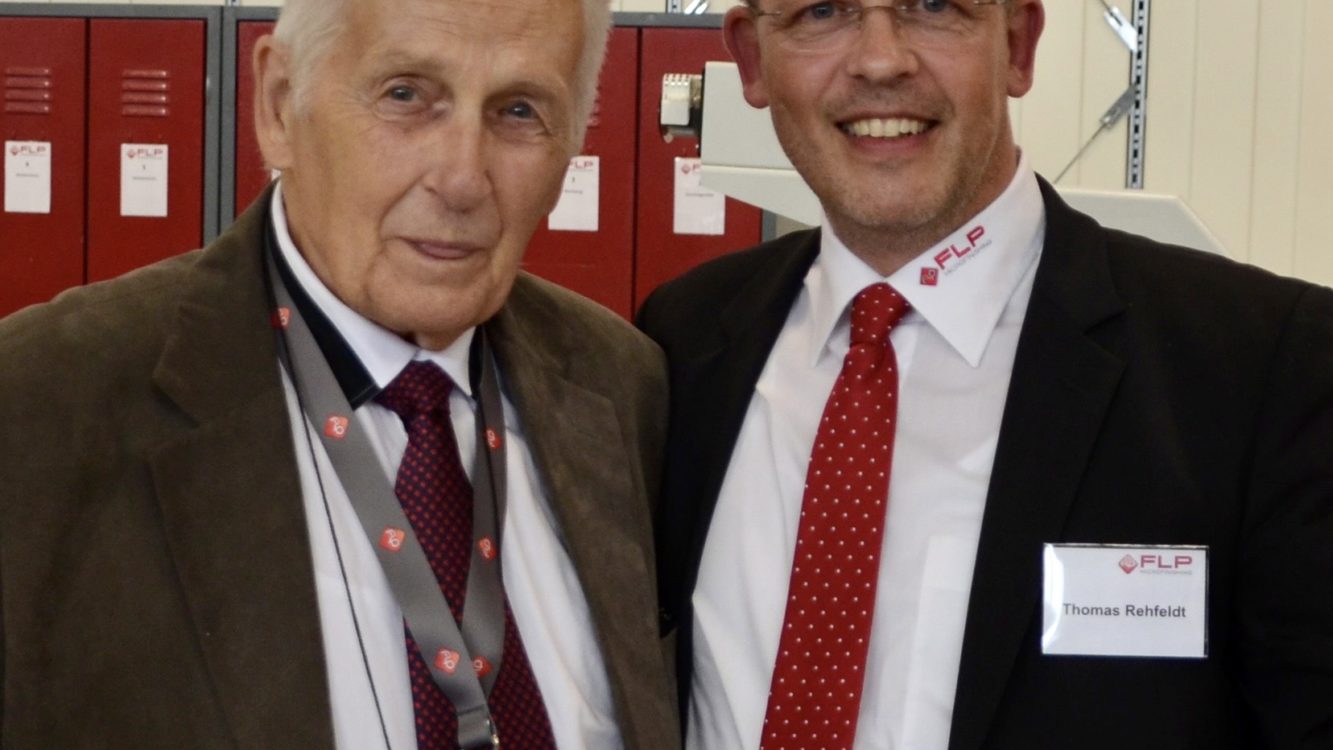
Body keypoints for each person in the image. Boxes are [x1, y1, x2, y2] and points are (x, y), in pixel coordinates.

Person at [637, 1, 1333, 748]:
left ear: (1017, 44)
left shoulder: (1263, 367)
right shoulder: (682, 342)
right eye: (823, 11)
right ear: (752, 59)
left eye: (934, 6)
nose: (880, 60)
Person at [0, 0, 679, 748]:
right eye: (405, 95)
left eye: (519, 111)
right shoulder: (37, 410)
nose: (462, 179)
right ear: (279, 106)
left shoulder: (626, 388)